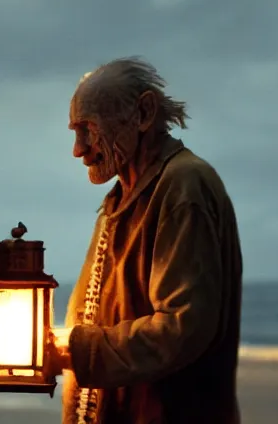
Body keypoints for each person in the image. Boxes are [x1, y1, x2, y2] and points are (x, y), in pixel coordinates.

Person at [50, 57, 243, 424]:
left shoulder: (184, 185)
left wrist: (73, 350)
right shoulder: (121, 199)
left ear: (143, 112)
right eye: (75, 132)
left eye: (88, 129)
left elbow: (180, 329)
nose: (78, 148)